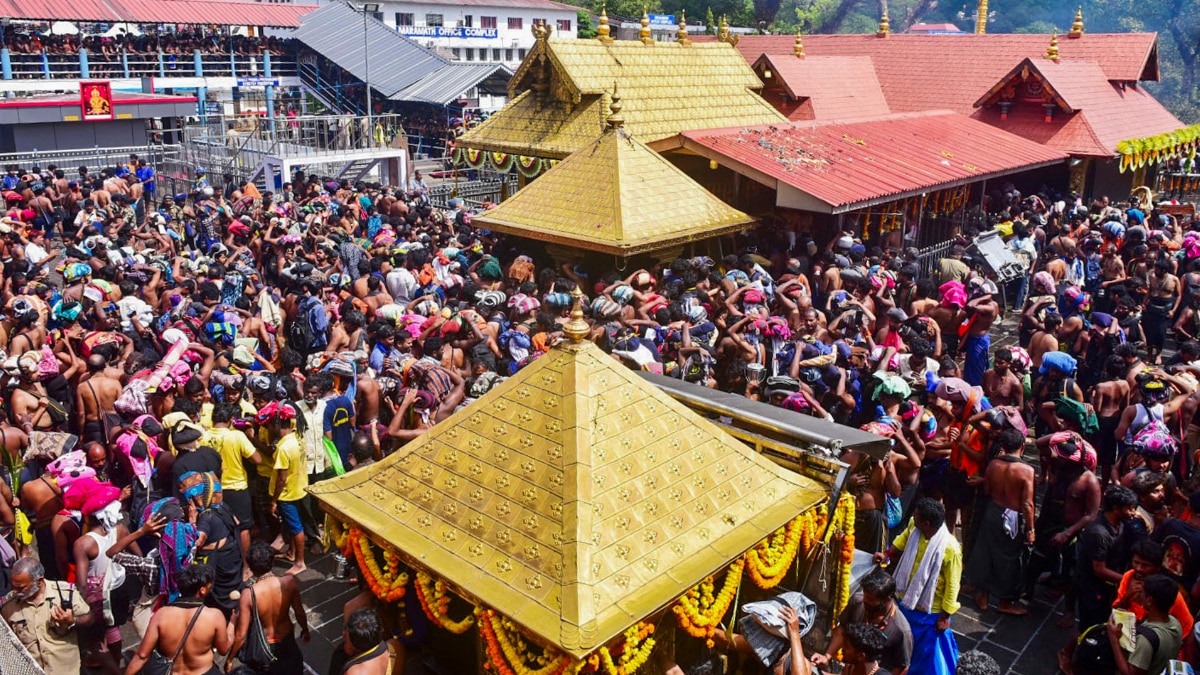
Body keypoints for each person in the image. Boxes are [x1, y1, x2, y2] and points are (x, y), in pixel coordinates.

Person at [873, 498, 960, 675]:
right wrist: (887, 554)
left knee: (924, 653)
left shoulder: (950, 549)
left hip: (930, 611)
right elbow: (904, 538)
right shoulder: (915, 525)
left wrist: (945, 616)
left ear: (927, 523)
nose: (913, 516)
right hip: (906, 600)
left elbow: (953, 585)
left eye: (917, 515)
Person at [967, 426, 1035, 615]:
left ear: (1003, 446)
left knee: (987, 553)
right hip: (1012, 517)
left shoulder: (993, 465)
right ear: (1022, 447)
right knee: (1010, 559)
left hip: (993, 511)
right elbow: (1028, 504)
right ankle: (1005, 601)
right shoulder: (1026, 471)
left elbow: (988, 490)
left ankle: (983, 596)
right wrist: (1031, 529)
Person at [125, 564, 232, 675]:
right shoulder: (214, 616)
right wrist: (232, 625)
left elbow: (142, 656)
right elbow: (223, 650)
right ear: (202, 590)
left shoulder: (162, 614)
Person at [1, 557, 94, 673]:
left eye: (21, 588)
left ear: (39, 582)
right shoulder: (9, 606)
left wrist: (72, 621)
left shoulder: (65, 594)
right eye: (13, 587)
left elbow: (89, 618)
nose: (15, 592)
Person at [812, 568, 912, 675]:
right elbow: (842, 630)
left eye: (871, 599)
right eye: (864, 595)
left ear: (886, 600)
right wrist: (827, 656)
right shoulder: (857, 602)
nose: (865, 600)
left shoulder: (901, 630)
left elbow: (902, 667)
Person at [230, 542, 310, 674]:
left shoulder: (248, 595)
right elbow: (299, 612)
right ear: (272, 561)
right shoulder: (289, 582)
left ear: (251, 567)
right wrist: (305, 629)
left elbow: (241, 634)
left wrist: (230, 659)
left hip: (264, 647)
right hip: (287, 639)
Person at [1107, 574, 1183, 675]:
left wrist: (1114, 640)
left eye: (1142, 592)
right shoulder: (1175, 622)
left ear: (1149, 601)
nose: (1139, 594)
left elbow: (1130, 673)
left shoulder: (1145, 641)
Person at [342, 607, 400, 674]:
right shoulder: (395, 647)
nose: (343, 633)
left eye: (345, 637)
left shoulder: (355, 672)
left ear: (354, 645)